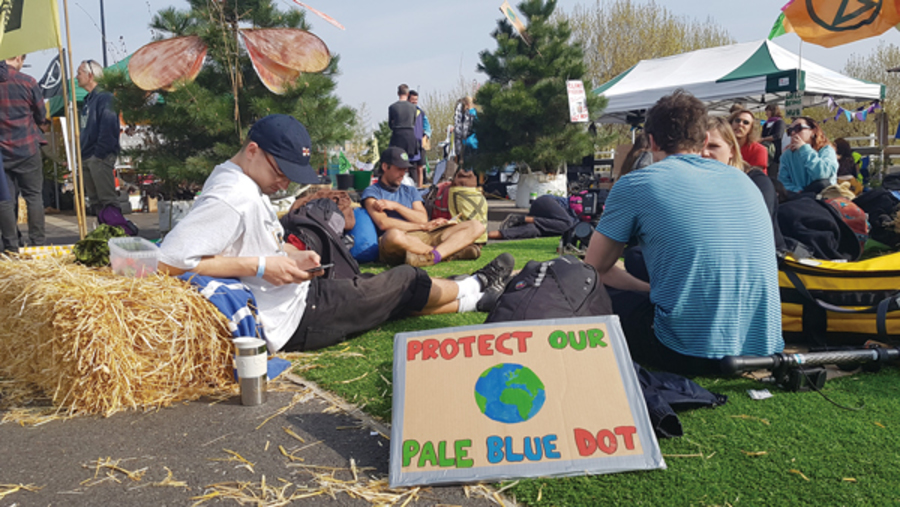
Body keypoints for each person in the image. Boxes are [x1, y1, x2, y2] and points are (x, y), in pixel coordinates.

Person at [158, 115, 515, 353]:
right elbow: (168, 262)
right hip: (291, 319)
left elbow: (245, 244)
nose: (284, 184)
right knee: (403, 280)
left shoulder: (242, 182)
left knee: (384, 292)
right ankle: (476, 284)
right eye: (281, 172)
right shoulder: (232, 196)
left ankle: (476, 299)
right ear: (253, 151)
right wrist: (263, 266)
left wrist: (289, 254)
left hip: (294, 299)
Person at [585, 90, 782, 376]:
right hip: (761, 350)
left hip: (686, 351)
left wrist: (647, 290)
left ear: (651, 141)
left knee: (588, 290)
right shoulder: (746, 180)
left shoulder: (635, 184)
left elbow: (595, 270)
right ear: (704, 139)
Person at [362, 147, 485, 267]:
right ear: (385, 167)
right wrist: (422, 226)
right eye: (399, 169)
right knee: (394, 235)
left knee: (476, 225)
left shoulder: (410, 190)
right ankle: (448, 253)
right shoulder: (372, 192)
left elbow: (422, 218)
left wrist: (396, 206)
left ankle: (432, 255)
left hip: (424, 235)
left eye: (405, 170)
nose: (403, 174)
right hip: (399, 241)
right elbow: (384, 223)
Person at [703, 116, 784, 251]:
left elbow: (754, 233)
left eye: (713, 146)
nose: (704, 153)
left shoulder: (756, 182)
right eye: (699, 146)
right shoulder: (690, 184)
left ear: (732, 150)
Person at [76, 59, 135, 235]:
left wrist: (100, 154)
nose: (77, 77)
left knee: (107, 199)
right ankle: (105, 232)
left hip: (99, 156)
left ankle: (119, 232)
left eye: (79, 73)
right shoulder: (88, 100)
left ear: (90, 75)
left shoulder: (105, 98)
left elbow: (109, 127)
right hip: (88, 155)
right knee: (95, 201)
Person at [0, 55, 47, 252]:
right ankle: (37, 244)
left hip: (2, 152)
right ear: (18, 57)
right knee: (34, 196)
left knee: (5, 200)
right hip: (27, 148)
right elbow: (41, 115)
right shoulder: (28, 82)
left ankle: (11, 246)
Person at [778, 116, 838, 194]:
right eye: (790, 131)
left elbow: (822, 174)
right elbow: (783, 182)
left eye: (798, 128)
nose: (793, 133)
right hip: (799, 198)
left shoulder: (826, 150)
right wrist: (799, 191)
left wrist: (804, 149)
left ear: (813, 131)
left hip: (824, 197)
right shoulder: (787, 155)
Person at [488, 195, 578, 240]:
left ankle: (489, 235)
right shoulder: (584, 198)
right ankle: (523, 219)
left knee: (533, 230)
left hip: (552, 222)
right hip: (548, 203)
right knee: (567, 224)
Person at [729, 108, 768, 174]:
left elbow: (755, 176)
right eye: (737, 120)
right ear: (730, 124)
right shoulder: (722, 147)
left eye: (746, 122)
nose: (740, 124)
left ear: (751, 129)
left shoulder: (759, 150)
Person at [388, 84, 418, 162]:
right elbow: (414, 122)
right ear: (408, 94)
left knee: (396, 160)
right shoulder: (413, 107)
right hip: (410, 136)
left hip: (397, 136)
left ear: (398, 93)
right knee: (410, 162)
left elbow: (390, 125)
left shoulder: (392, 107)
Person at [408, 90, 432, 187]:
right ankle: (413, 187)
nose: (415, 101)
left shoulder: (421, 112)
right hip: (410, 144)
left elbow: (427, 127)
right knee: (412, 167)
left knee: (420, 167)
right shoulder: (406, 112)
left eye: (416, 99)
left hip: (420, 144)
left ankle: (420, 187)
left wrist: (425, 136)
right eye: (413, 99)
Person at [759, 104, 786, 180]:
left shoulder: (780, 122)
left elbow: (778, 135)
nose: (766, 113)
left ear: (773, 111)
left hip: (775, 153)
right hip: (765, 152)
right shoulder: (766, 124)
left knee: (772, 174)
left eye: (768, 111)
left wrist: (763, 139)